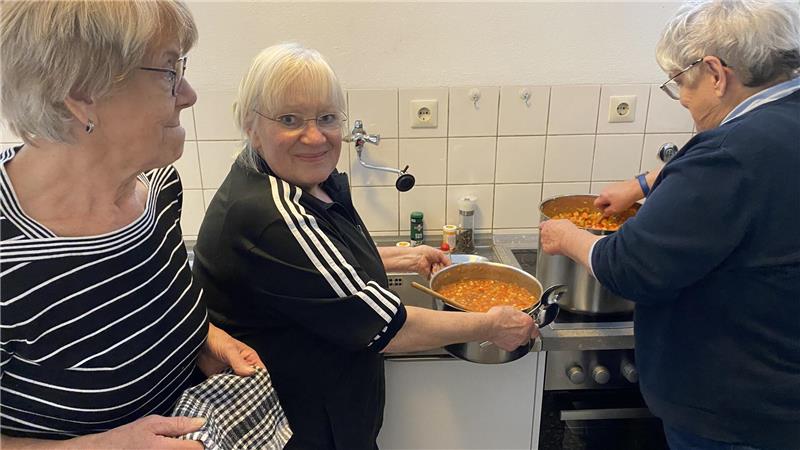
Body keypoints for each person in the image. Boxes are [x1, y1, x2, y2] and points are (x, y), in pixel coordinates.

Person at [191, 42, 540, 449]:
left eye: (327, 117)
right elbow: (387, 327)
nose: (315, 136)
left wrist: (403, 256)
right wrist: (491, 325)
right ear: (252, 126)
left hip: (326, 415)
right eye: (290, 119)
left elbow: (322, 267)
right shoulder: (271, 213)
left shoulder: (298, 182)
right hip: (300, 428)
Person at [0, 2, 265, 449]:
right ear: (82, 93)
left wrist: (205, 339)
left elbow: (146, 314)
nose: (189, 94)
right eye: (169, 70)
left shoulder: (158, 189)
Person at [540, 1, 800, 449]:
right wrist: (642, 183)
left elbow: (629, 265)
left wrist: (568, 236)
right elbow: (752, 168)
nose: (681, 98)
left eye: (681, 82)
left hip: (733, 408)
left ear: (716, 74)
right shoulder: (781, 122)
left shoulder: (729, 152)